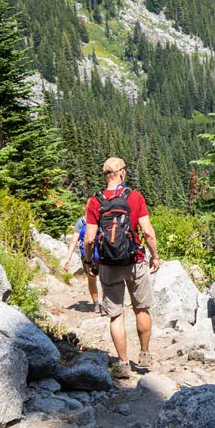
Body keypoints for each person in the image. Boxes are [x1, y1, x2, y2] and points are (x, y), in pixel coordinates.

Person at [83, 157, 160, 377]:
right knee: (141, 309)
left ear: (106, 175)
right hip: (134, 261)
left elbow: (89, 239)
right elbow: (147, 232)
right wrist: (155, 256)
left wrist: (89, 262)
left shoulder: (95, 202)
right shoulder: (134, 197)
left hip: (108, 264)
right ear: (122, 173)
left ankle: (123, 364)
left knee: (116, 315)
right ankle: (144, 356)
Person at [62, 215, 103, 315]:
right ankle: (104, 304)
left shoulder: (81, 221)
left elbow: (74, 241)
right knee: (104, 280)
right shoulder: (101, 218)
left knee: (92, 280)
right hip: (101, 255)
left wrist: (68, 258)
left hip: (87, 255)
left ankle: (96, 304)